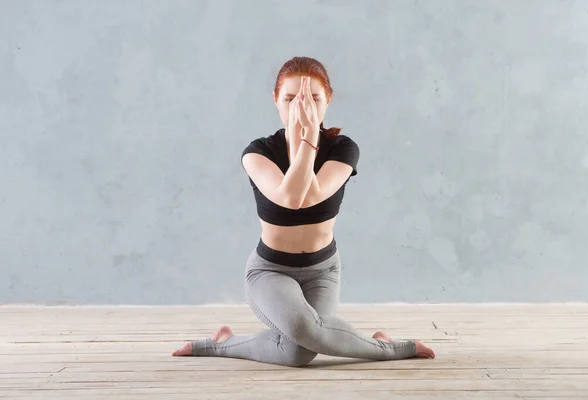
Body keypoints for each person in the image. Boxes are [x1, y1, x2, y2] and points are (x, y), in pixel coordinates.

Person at [172, 56, 435, 366]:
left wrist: (308, 138)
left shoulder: (343, 148)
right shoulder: (258, 153)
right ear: (275, 100)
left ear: (329, 100)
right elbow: (293, 198)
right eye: (290, 98)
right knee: (302, 330)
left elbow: (313, 195)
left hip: (322, 270)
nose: (302, 107)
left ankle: (225, 340)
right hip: (270, 271)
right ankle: (388, 348)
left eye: (313, 98)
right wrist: (308, 137)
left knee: (298, 350)